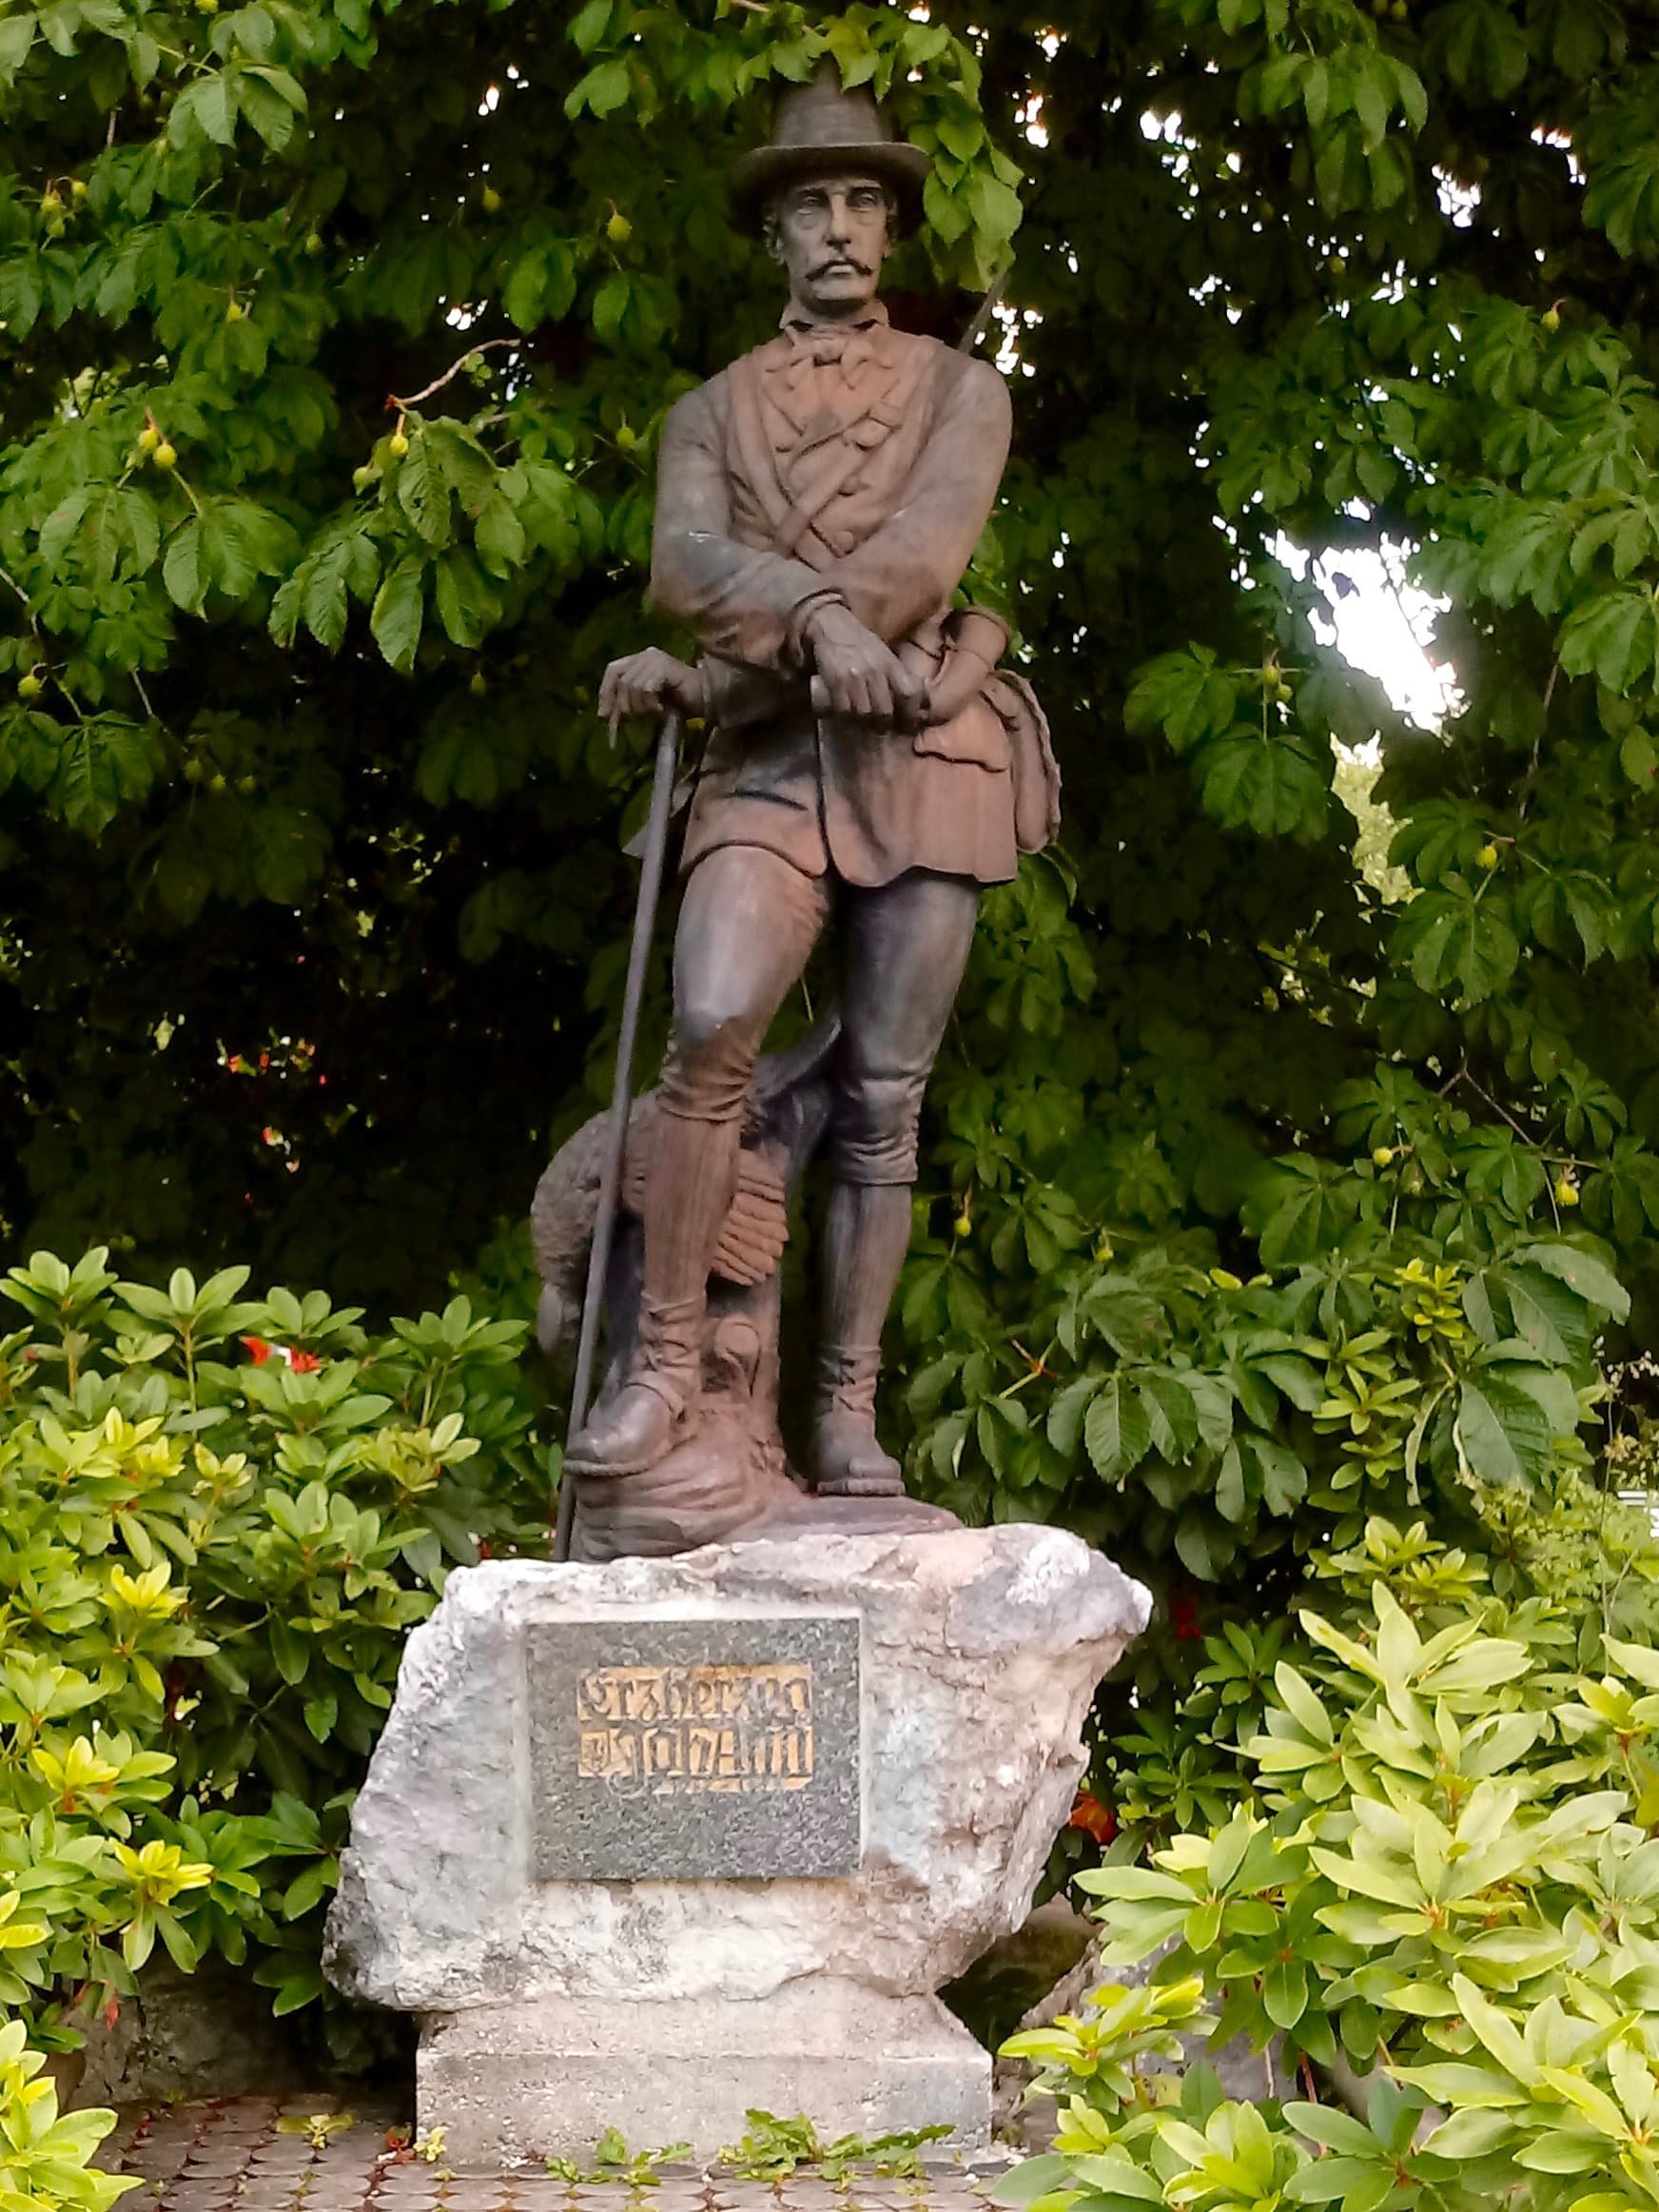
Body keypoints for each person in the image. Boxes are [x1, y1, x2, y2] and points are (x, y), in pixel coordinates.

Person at [570, 64, 1057, 1501]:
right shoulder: (705, 415)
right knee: (710, 1026)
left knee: (884, 1101)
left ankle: (845, 1409)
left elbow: (926, 555)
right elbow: (684, 566)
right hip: (771, 758)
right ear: (771, 236)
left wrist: (804, 625)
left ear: (893, 231)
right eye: (810, 206)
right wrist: (822, 626)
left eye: (862, 201)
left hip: (932, 755)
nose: (838, 227)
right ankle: (662, 1366)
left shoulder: (965, 394)